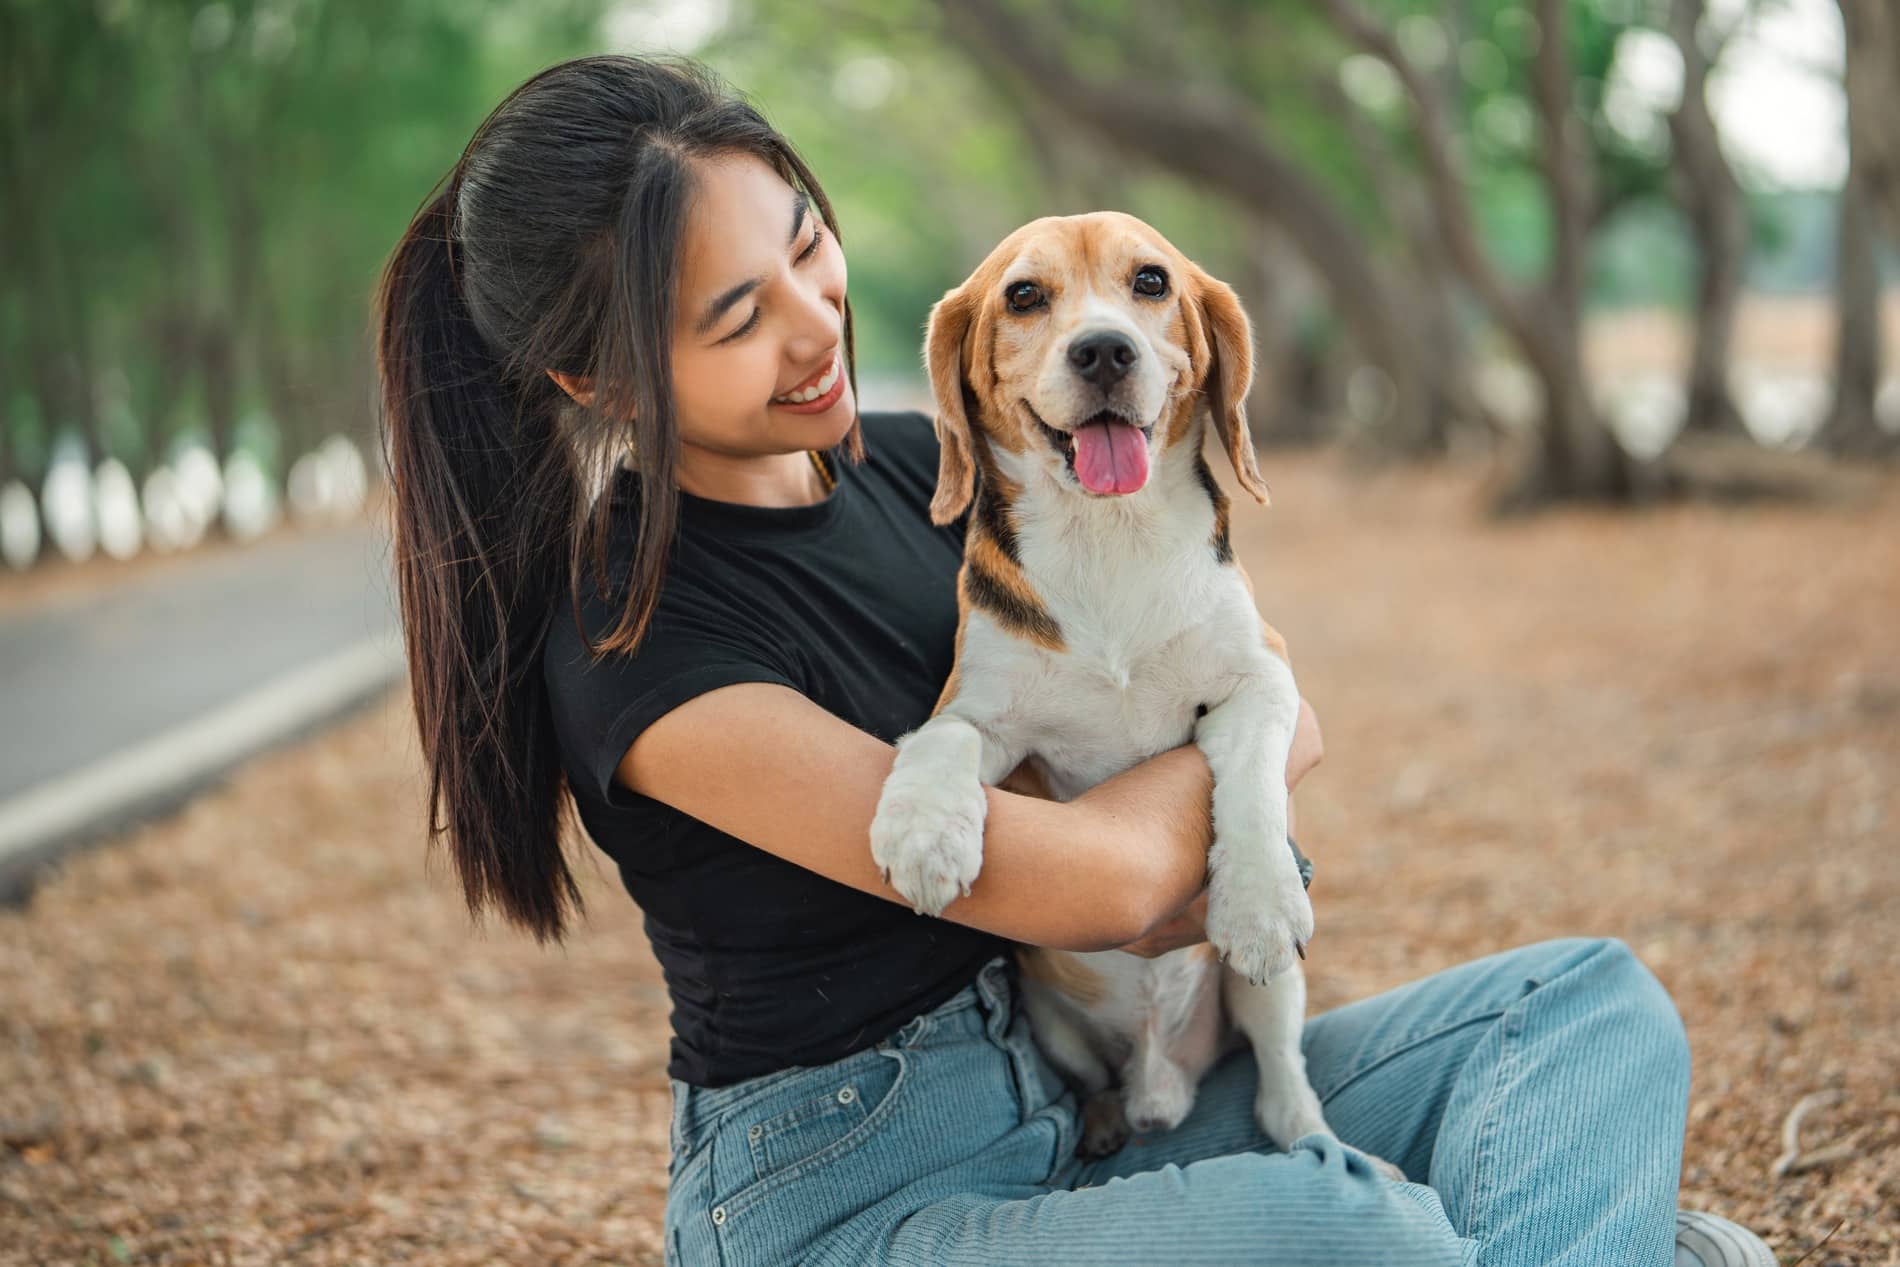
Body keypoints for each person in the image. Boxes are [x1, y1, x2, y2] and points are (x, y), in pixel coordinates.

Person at [373, 52, 1776, 1267]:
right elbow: (1107, 882)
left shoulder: (932, 470)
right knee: (1362, 1236)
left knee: (1586, 1008)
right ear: (602, 380)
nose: (815, 327)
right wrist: (1230, 788)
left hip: (1097, 1085)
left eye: (806, 246)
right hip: (856, 1199)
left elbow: (1268, 674)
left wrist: (1241, 747)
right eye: (737, 317)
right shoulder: (633, 637)